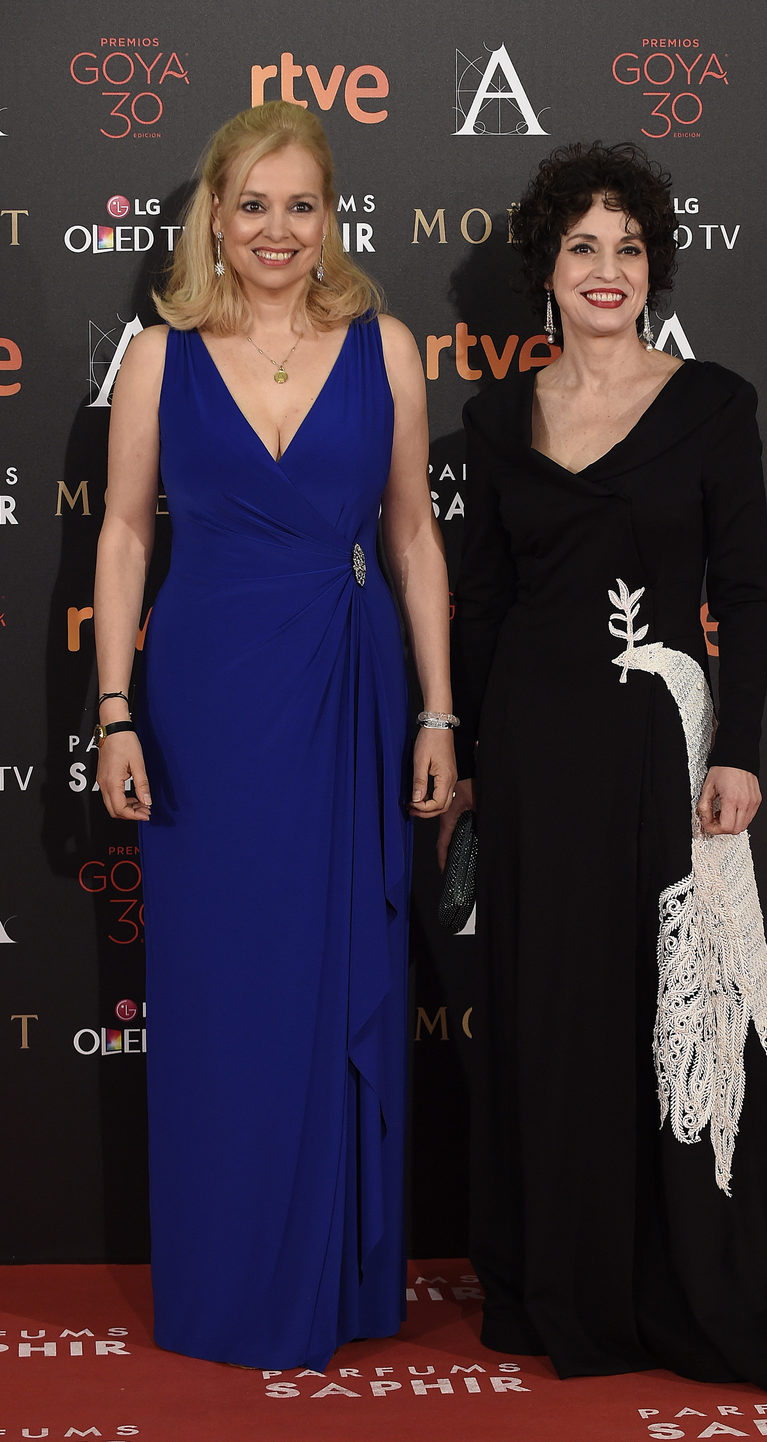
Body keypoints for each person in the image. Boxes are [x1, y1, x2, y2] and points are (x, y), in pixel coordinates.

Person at [439, 142, 767, 1394]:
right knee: (553, 1012)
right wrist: (473, 758)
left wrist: (741, 750)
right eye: (582, 248)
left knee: (671, 1012)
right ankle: (564, 1282)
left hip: (663, 755)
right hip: (536, 758)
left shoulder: (715, 403)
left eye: (630, 248)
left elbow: (750, 592)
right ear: (545, 272)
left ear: (654, 267)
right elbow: (481, 607)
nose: (607, 271)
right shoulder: (495, 421)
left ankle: (683, 1267)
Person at [93, 100, 456, 1370]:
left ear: (329, 214)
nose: (277, 230)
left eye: (301, 204)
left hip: (348, 694)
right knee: (224, 993)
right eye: (252, 204)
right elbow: (127, 535)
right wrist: (115, 707)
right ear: (215, 214)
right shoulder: (157, 355)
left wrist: (439, 709)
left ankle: (340, 1276)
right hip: (206, 702)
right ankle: (233, 1280)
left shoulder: (388, 347)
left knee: (335, 974)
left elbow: (413, 536)